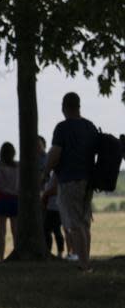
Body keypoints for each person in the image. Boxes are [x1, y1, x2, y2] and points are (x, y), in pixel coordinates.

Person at [44, 92, 99, 271]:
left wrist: (45, 172)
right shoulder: (89, 126)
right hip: (88, 181)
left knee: (74, 226)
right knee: (84, 224)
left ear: (64, 107)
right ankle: (86, 261)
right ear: (79, 106)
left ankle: (84, 265)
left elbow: (55, 154)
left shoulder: (62, 128)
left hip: (69, 180)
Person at [38, 136, 65, 258]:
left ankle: (57, 252)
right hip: (49, 203)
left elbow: (53, 188)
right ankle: (52, 251)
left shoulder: (55, 172)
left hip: (54, 204)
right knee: (50, 230)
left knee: (52, 229)